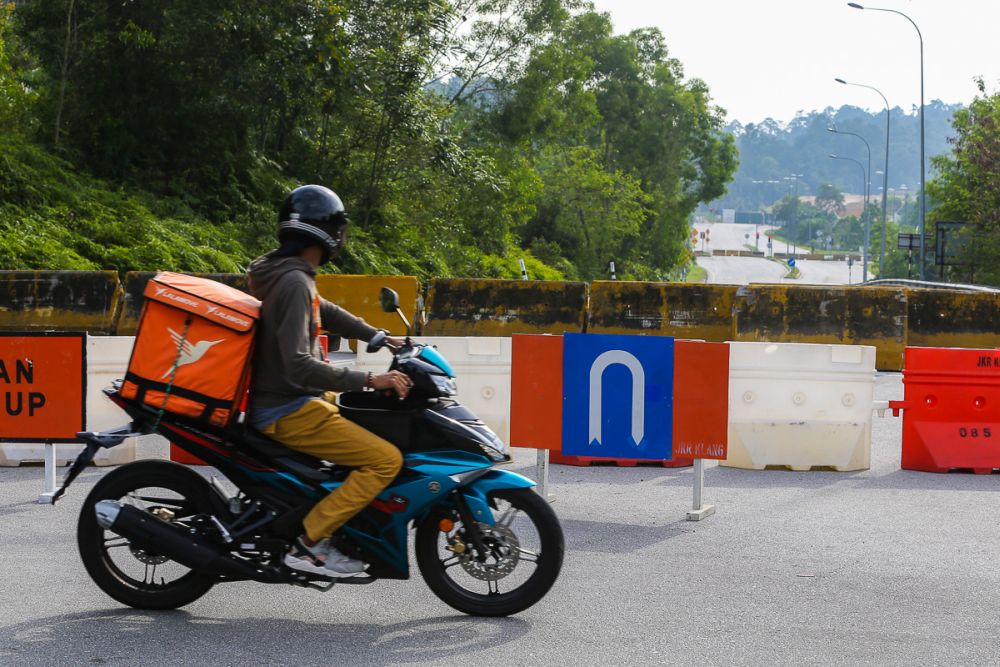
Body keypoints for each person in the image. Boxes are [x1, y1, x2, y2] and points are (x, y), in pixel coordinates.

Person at [247, 184, 411, 577]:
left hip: (290, 400)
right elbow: (298, 365)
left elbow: (326, 310)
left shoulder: (288, 273)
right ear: (326, 233)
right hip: (288, 408)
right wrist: (371, 379)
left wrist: (379, 336)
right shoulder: (294, 283)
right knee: (385, 460)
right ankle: (309, 545)